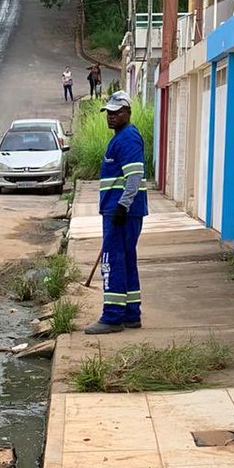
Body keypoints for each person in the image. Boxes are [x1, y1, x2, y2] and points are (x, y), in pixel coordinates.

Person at [85, 90, 148, 334]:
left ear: (127, 113)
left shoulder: (127, 139)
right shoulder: (122, 137)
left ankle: (112, 316)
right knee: (127, 259)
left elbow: (134, 177)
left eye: (116, 112)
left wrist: (122, 206)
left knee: (112, 261)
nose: (111, 117)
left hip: (121, 212)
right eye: (109, 113)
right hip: (122, 211)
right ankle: (131, 313)